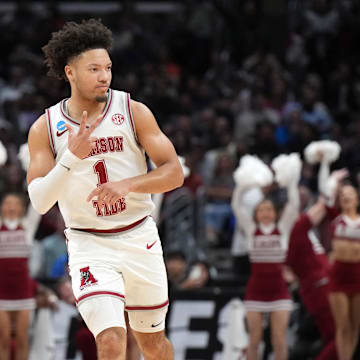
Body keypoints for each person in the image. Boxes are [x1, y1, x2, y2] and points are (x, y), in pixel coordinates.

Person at [26, 18, 183, 360]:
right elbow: (39, 201)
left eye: (108, 68)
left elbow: (174, 172)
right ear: (70, 72)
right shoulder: (45, 127)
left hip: (138, 236)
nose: (104, 76)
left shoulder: (133, 111)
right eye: (94, 69)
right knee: (111, 340)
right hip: (88, 243)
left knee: (153, 345)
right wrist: (70, 157)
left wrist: (129, 184)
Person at [231, 162, 299, 360]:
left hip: (279, 291)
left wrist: (291, 180)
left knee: (279, 339)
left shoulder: (283, 230)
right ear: (256, 214)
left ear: (275, 213)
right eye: (262, 210)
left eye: (269, 209)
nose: (266, 213)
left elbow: (294, 205)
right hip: (256, 292)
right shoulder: (252, 231)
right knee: (254, 339)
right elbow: (236, 205)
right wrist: (245, 184)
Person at [318, 158, 360, 360]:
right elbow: (326, 195)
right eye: (343, 195)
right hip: (339, 275)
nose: (346, 197)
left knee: (354, 326)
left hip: (358, 275)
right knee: (342, 326)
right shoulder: (335, 217)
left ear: (357, 199)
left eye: (350, 194)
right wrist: (332, 177)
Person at [286, 196, 337, 360]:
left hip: (321, 288)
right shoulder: (295, 231)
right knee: (340, 336)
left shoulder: (303, 234)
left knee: (334, 337)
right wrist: (330, 191)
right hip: (318, 291)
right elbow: (318, 211)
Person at [0, 193, 40, 360]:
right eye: (7, 203)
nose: (11, 207)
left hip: (23, 289)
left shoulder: (27, 227)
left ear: (22, 208)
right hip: (2, 291)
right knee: (4, 339)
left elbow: (38, 206)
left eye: (15, 203)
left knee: (23, 338)